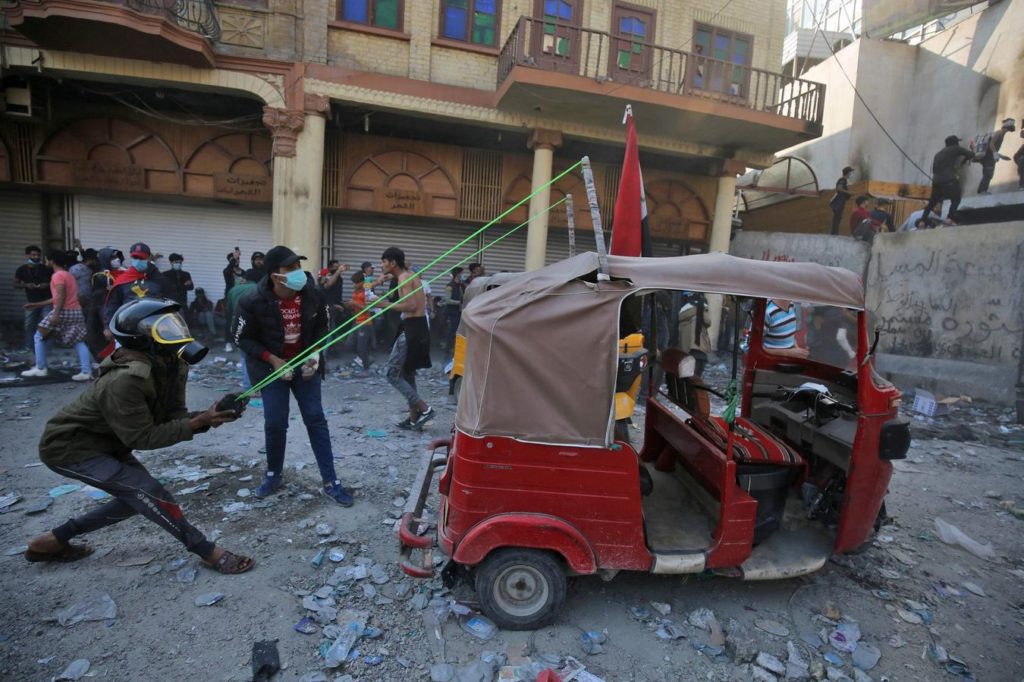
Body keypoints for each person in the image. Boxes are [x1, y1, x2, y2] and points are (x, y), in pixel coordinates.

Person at [23, 298, 253, 574]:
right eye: (164, 327)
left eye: (175, 324)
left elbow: (173, 416)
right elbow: (142, 437)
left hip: (109, 443)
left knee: (136, 499)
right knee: (150, 493)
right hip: (70, 448)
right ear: (142, 337)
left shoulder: (173, 363)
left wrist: (210, 416)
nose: (175, 331)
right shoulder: (125, 379)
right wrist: (198, 422)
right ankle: (207, 551)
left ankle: (52, 541)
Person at [235, 246, 353, 506]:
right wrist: (273, 360)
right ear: (275, 275)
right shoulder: (252, 301)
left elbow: (324, 326)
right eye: (290, 269)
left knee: (316, 419)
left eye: (298, 267)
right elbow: (241, 338)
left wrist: (315, 353)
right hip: (271, 368)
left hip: (305, 367)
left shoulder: (313, 294)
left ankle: (331, 481)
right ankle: (273, 475)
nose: (298, 273)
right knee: (275, 423)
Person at [378, 247, 434, 430]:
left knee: (392, 374)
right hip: (417, 328)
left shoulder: (403, 278)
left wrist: (383, 304)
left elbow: (410, 305)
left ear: (393, 262)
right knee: (408, 373)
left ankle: (425, 409)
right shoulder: (408, 275)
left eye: (384, 262)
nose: (381, 265)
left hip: (411, 330)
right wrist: (386, 278)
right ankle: (413, 419)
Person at [20, 250, 92, 381]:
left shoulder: (57, 276)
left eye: (46, 259)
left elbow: (60, 296)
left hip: (63, 310)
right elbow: (58, 297)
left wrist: (56, 313)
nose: (45, 262)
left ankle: (41, 368)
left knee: (38, 336)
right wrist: (36, 304)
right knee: (78, 341)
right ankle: (86, 371)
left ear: (51, 261)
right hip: (75, 311)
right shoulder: (68, 274)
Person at [102, 242, 163, 335]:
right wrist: (108, 327)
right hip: (127, 326)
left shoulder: (157, 278)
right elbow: (112, 304)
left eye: (142, 258)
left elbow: (169, 301)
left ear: (149, 258)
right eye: (135, 258)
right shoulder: (123, 279)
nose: (138, 260)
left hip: (155, 327)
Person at [920, 135, 974, 227]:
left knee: (932, 202)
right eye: (957, 142)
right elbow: (971, 155)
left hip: (936, 181)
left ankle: (922, 221)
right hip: (949, 179)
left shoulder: (938, 153)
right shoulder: (955, 148)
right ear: (955, 143)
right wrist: (972, 149)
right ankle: (950, 218)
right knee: (956, 198)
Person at [15, 245, 53, 352]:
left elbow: (54, 283)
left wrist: (46, 285)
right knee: (29, 325)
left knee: (48, 325)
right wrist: (26, 285)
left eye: (38, 255)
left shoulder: (46, 269)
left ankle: (45, 347)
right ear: (27, 255)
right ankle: (29, 347)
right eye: (33, 255)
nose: (36, 257)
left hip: (47, 301)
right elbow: (15, 284)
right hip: (31, 301)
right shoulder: (21, 269)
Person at [977, 118, 1016, 194]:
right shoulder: (999, 133)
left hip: (989, 156)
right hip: (988, 157)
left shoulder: (1001, 133)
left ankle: (982, 191)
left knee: (989, 174)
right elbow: (991, 144)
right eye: (1012, 125)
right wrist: (995, 153)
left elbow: (993, 146)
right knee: (988, 174)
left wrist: (1000, 156)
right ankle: (982, 191)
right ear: (1008, 126)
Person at [677, 292, 712, 377]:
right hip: (699, 347)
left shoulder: (683, 310)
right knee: (697, 375)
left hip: (686, 348)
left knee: (687, 375)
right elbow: (708, 322)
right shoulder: (702, 306)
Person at [346, 271, 374, 375]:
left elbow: (368, 309)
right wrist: (350, 305)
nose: (354, 285)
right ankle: (367, 358)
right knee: (348, 344)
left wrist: (354, 304)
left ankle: (366, 369)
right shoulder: (355, 291)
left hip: (365, 322)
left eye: (356, 283)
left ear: (362, 282)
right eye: (353, 283)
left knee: (361, 348)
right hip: (356, 320)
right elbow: (356, 305)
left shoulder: (366, 292)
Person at [828, 166, 855, 236]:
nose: (851, 174)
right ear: (848, 173)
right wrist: (848, 192)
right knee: (837, 217)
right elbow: (839, 188)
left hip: (841, 201)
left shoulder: (844, 180)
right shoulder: (842, 180)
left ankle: (834, 232)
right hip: (839, 201)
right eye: (851, 173)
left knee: (838, 217)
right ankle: (834, 233)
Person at [442, 267, 464, 351]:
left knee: (457, 332)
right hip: (451, 312)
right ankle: (448, 349)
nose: (463, 275)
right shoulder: (450, 286)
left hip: (459, 312)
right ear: (458, 274)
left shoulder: (461, 285)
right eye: (462, 273)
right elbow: (447, 300)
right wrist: (459, 302)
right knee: (451, 331)